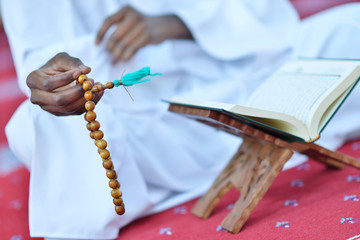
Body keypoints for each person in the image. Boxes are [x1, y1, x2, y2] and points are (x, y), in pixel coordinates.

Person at [1, 0, 360, 239]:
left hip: (257, 79)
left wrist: (177, 24)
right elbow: (44, 56)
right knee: (33, 123)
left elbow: (270, 16)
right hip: (149, 129)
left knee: (351, 25)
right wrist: (58, 80)